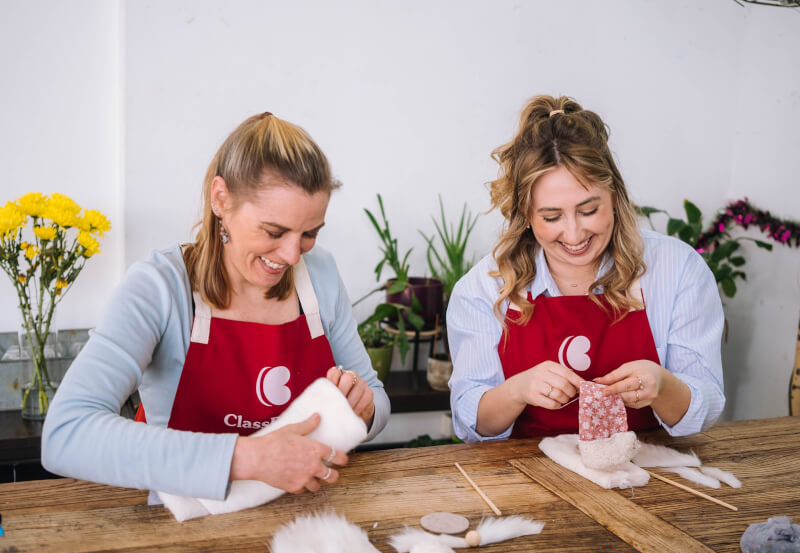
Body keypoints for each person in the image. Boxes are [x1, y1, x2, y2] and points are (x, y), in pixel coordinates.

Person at [42, 112, 390, 500]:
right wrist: (248, 458)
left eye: (309, 234)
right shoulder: (160, 287)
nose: (293, 255)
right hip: (189, 529)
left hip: (303, 519)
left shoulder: (319, 274)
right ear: (220, 198)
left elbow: (376, 396)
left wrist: (363, 409)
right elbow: (66, 433)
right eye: (273, 232)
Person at [447, 95, 725, 443]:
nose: (575, 234)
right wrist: (518, 389)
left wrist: (663, 386)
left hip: (651, 474)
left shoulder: (676, 269)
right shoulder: (483, 289)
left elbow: (706, 407)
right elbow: (472, 423)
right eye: (551, 217)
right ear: (526, 217)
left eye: (589, 210)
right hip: (527, 480)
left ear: (614, 197)